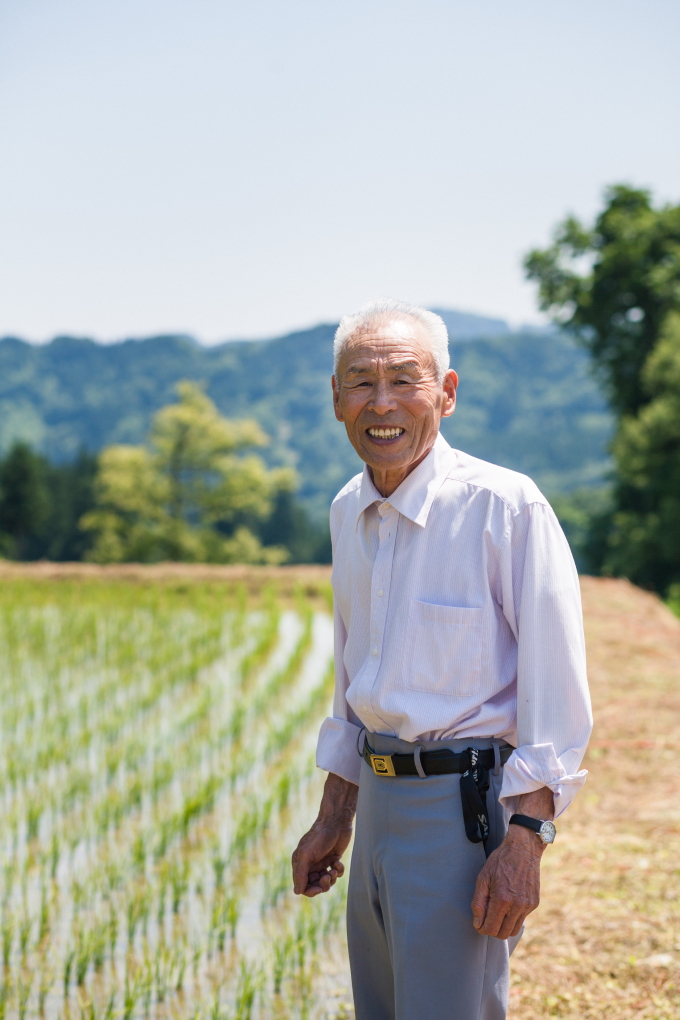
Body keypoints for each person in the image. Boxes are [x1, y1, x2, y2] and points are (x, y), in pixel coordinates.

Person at [291, 300, 592, 1020]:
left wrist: (527, 841)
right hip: (379, 806)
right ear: (336, 400)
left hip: (465, 815)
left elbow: (556, 693)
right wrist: (336, 815)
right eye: (361, 382)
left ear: (447, 393)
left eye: (405, 379)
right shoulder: (347, 511)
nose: (382, 402)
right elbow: (354, 677)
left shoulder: (504, 506)